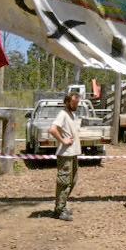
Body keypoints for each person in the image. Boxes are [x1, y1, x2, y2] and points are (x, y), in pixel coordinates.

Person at [48, 93, 81, 222]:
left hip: (72, 153)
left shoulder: (71, 114)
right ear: (67, 102)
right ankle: (59, 210)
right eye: (74, 103)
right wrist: (63, 140)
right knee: (64, 182)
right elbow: (52, 129)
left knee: (72, 181)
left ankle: (62, 205)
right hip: (65, 154)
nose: (76, 105)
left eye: (77, 103)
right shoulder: (62, 114)